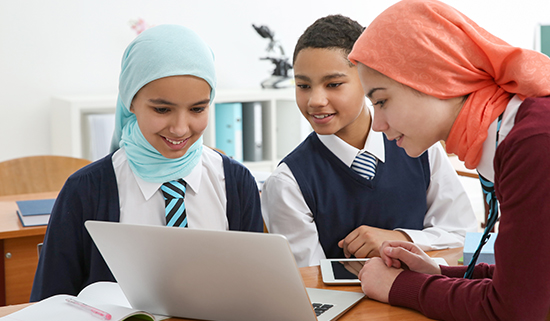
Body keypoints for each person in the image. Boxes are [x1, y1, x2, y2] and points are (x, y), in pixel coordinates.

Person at [348, 0, 550, 320]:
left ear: (437, 77)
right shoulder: (518, 130)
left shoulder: (534, 142)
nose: (377, 124)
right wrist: (436, 273)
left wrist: (400, 286)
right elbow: (531, 278)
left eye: (382, 100)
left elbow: (515, 309)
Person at [31, 25, 263, 301]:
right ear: (130, 101)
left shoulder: (236, 184)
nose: (180, 128)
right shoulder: (85, 191)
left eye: (198, 109)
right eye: (162, 109)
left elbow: (253, 292)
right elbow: (50, 303)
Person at [261, 14, 477, 268]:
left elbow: (464, 235)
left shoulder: (421, 148)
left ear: (367, 78)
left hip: (425, 300)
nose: (315, 100)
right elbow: (309, 281)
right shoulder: (288, 182)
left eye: (333, 84)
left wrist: (399, 239)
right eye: (303, 85)